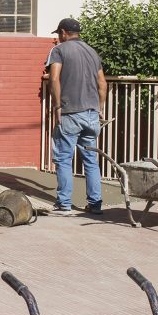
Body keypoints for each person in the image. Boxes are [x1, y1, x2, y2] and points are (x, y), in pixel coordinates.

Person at [47, 18, 107, 216]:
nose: (58, 37)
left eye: (59, 34)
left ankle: (64, 204)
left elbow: (54, 78)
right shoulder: (92, 52)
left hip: (70, 112)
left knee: (64, 158)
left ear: (64, 32)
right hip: (91, 113)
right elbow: (102, 83)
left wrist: (57, 107)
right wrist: (100, 107)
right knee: (90, 160)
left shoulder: (59, 50)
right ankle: (95, 204)